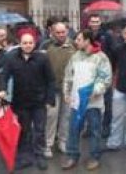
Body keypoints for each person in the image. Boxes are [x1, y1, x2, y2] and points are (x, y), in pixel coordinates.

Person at [0, 31, 56, 171]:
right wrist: (3, 89)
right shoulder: (11, 58)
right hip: (20, 102)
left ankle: (39, 155)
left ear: (34, 43)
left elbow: (51, 80)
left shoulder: (42, 58)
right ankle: (25, 157)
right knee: (23, 131)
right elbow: (4, 76)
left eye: (30, 43)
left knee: (39, 130)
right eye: (25, 43)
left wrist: (50, 99)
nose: (28, 45)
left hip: (39, 102)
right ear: (20, 43)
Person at [61, 29, 112, 171]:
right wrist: (66, 92)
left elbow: (105, 79)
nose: (76, 42)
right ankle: (72, 156)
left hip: (93, 103)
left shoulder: (101, 57)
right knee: (73, 129)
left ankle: (95, 157)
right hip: (76, 102)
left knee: (95, 130)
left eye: (78, 39)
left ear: (87, 40)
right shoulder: (75, 56)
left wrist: (94, 92)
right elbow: (68, 76)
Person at [41, 22, 76, 158]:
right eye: (58, 32)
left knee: (66, 116)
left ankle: (62, 141)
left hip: (69, 88)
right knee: (51, 116)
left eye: (63, 32)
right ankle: (48, 144)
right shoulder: (45, 45)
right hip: (52, 88)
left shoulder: (74, 45)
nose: (61, 35)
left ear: (67, 31)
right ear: (53, 32)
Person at [87, 14, 115, 138]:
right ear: (89, 23)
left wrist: (111, 70)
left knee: (107, 102)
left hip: (104, 73)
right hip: (89, 72)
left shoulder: (107, 36)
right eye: (93, 21)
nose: (95, 24)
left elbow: (113, 52)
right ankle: (90, 127)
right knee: (90, 100)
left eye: (97, 21)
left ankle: (105, 127)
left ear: (100, 23)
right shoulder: (85, 35)